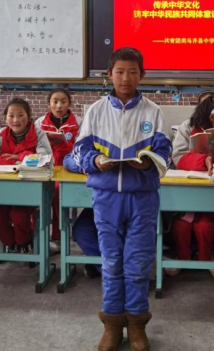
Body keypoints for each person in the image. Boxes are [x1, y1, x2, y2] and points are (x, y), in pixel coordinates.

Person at [72, 47, 172, 351]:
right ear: (109, 75)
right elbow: (79, 151)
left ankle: (137, 325)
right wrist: (95, 161)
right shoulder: (95, 111)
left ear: (142, 75)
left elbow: (165, 152)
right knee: (112, 262)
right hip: (106, 198)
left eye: (132, 72)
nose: (125, 78)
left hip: (142, 198)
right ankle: (112, 325)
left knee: (138, 263)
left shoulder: (153, 112)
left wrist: (148, 162)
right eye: (119, 72)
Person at [167, 96, 214, 278]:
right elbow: (178, 157)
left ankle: (207, 258)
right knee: (181, 225)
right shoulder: (187, 128)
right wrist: (203, 160)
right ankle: (182, 258)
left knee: (205, 225)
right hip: (189, 191)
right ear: (212, 117)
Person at [0, 98, 52, 253]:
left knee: (18, 215)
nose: (16, 120)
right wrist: (16, 161)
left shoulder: (38, 134)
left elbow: (44, 159)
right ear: (5, 118)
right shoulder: (1, 134)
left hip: (31, 189)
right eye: (11, 116)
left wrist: (19, 156)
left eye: (21, 115)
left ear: (29, 117)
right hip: (4, 190)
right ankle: (11, 243)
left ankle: (24, 241)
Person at [34, 88, 81, 255]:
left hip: (67, 169)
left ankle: (57, 236)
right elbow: (32, 146)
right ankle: (34, 236)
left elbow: (81, 148)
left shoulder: (79, 123)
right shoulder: (40, 123)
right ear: (49, 104)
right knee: (34, 191)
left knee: (57, 192)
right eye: (55, 101)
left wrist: (65, 145)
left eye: (63, 101)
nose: (59, 105)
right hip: (44, 168)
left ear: (69, 104)